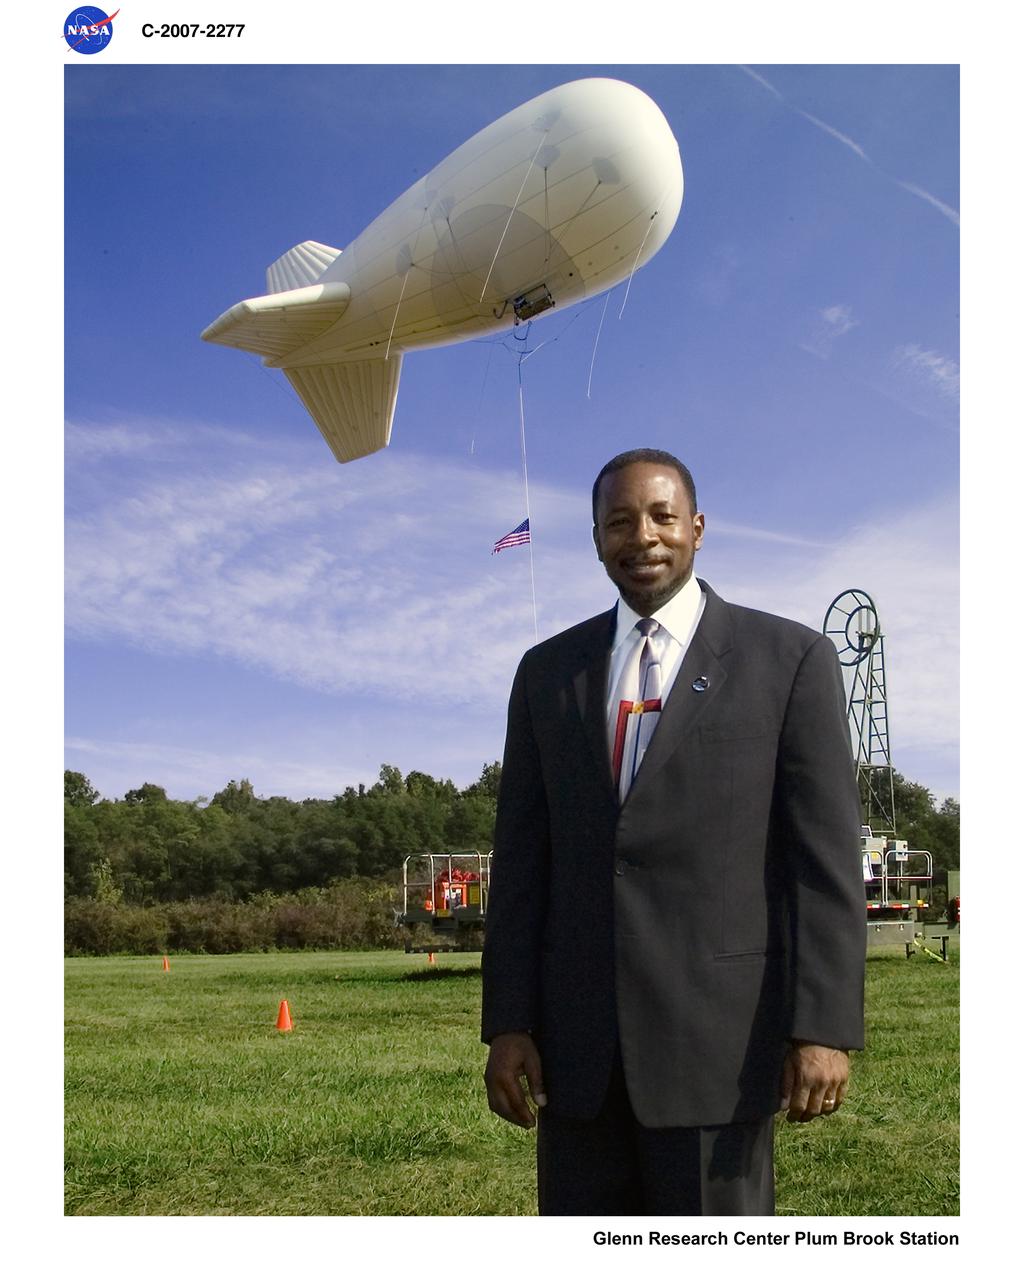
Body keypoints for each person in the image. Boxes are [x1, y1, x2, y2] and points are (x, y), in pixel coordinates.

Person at [481, 448, 865, 1215]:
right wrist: (509, 1023)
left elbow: (822, 865)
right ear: (595, 539)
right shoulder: (546, 672)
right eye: (619, 521)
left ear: (697, 526)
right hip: (577, 1057)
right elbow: (523, 864)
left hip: (717, 1050)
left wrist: (822, 1027)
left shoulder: (790, 661)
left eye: (661, 516)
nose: (643, 536)